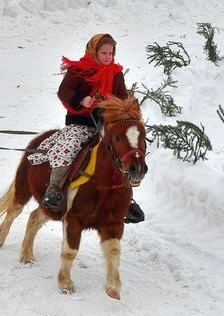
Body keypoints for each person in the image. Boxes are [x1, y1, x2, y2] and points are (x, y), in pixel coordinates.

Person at [30, 33, 145, 223]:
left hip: (105, 126)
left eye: (111, 53)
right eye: (104, 53)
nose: (108, 57)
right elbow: (64, 91)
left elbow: (123, 97)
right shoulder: (78, 70)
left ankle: (126, 201)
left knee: (120, 155)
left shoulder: (115, 74)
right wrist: (81, 99)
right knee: (68, 148)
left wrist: (126, 108)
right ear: (93, 52)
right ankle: (54, 189)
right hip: (80, 124)